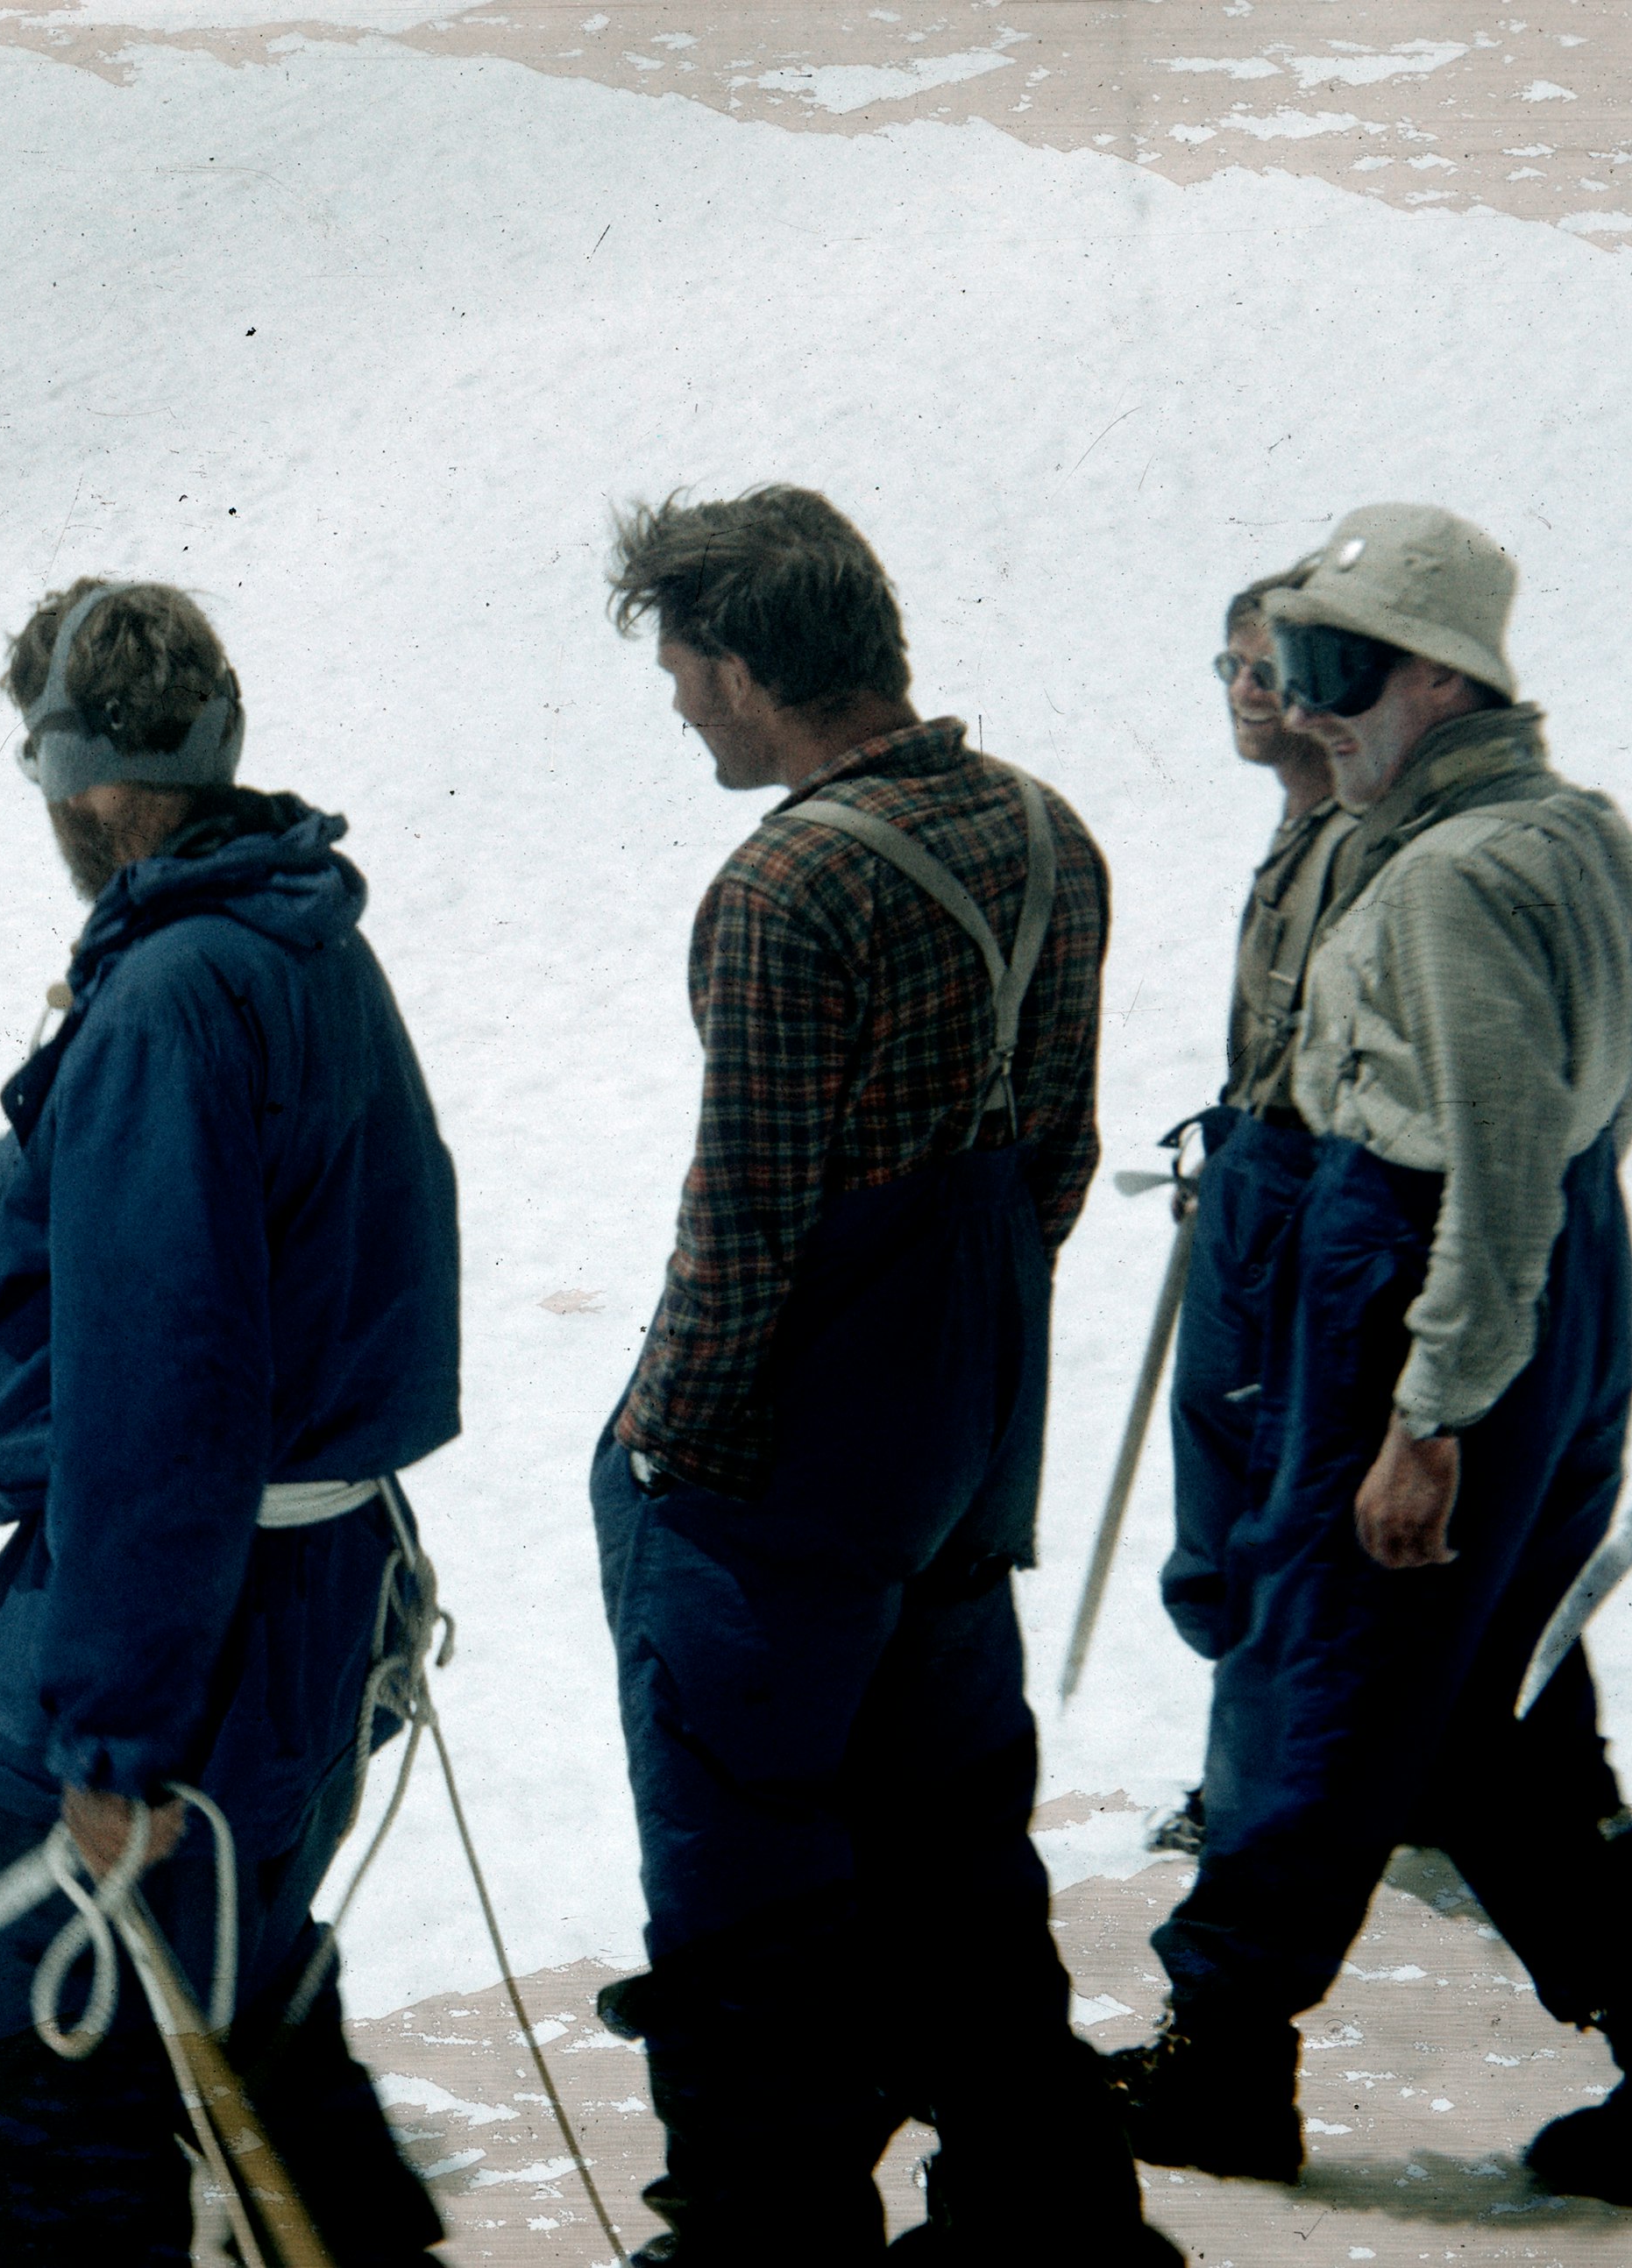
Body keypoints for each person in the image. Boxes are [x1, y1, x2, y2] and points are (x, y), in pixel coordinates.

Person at [585, 485, 1176, 2262]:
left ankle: (769, 2234)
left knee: (745, 1857)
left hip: (791, 1463)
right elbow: (1058, 1157)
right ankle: (1044, 2212)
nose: (683, 702)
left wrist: (662, 1448)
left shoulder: (787, 882)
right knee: (953, 1835)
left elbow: (748, 1226)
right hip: (968, 1429)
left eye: (688, 669)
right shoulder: (1050, 831)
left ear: (753, 668)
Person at [1110, 504, 1632, 2215]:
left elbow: (1498, 1152)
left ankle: (1225, 2052)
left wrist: (1431, 1406)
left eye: (1332, 671)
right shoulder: (1572, 827)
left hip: (1432, 1274)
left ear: (1439, 681)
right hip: (1539, 1272)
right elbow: (1621, 1064)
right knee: (1496, 1702)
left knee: (1336, 1657)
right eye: (1287, 665)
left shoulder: (1442, 874)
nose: (1303, 706)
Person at [0, 578, 461, 2265]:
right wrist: (29, 1185)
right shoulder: (301, 933)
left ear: (76, 777)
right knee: (239, 1973)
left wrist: (114, 1739)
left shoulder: (165, 994)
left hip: (172, 1632)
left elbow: (165, 1400)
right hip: (307, 1607)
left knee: (50, 2056)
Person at [1148, 564, 1356, 1845]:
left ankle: (1264, 1795)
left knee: (1277, 1502)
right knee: (1232, 1495)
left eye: (1267, 669)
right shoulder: (1298, 826)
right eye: (1228, 665)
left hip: (1310, 1196)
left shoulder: (1360, 840)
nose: (1244, 692)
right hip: (1256, 1178)